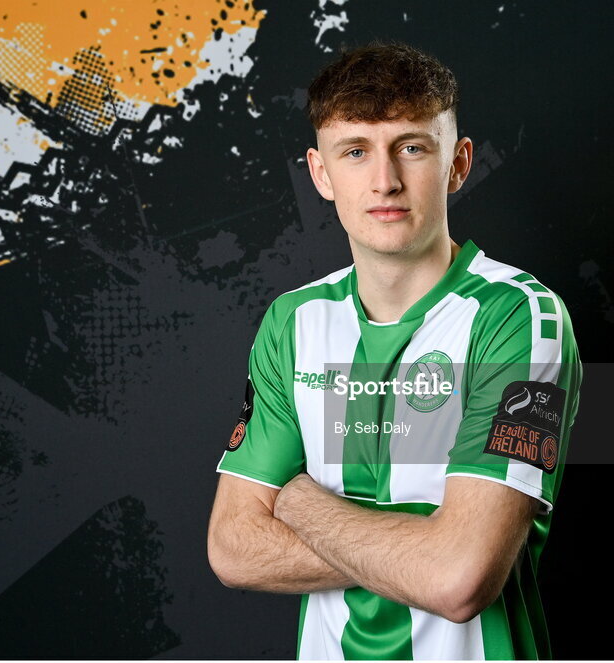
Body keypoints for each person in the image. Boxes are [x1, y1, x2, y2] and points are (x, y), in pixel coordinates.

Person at [208, 41, 582, 660]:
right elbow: (233, 548)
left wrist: (297, 500)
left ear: (458, 163)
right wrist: (426, 543)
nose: (385, 180)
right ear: (321, 174)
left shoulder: (518, 317)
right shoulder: (293, 322)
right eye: (355, 152)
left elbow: (459, 578)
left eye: (411, 147)